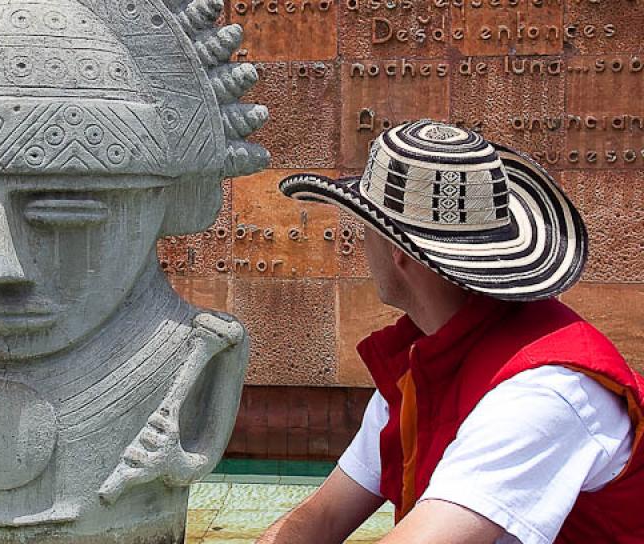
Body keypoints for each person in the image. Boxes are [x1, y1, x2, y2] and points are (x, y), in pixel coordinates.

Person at [257, 120, 644, 544]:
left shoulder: (541, 393)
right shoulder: (420, 364)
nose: (360, 242)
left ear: (396, 250)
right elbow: (323, 517)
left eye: (364, 225)